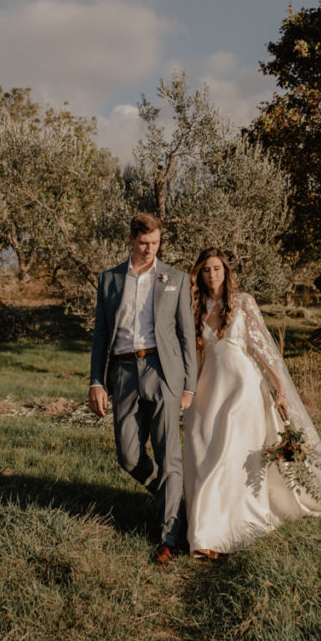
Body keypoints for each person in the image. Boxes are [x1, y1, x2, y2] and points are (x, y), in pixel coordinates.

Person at [184, 247, 321, 559]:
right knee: (205, 453)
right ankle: (210, 524)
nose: (212, 275)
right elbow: (195, 353)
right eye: (206, 269)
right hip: (209, 389)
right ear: (200, 273)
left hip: (241, 389)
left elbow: (263, 349)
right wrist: (188, 391)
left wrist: (280, 389)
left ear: (226, 271)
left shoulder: (243, 302)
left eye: (217, 268)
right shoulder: (197, 306)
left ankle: (212, 535)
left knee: (228, 455)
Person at [89, 213, 198, 566]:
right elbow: (100, 336)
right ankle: (171, 496)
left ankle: (168, 535)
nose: (150, 249)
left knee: (170, 456)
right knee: (128, 455)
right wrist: (96, 381)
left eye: (155, 243)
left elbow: (186, 336)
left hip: (163, 371)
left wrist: (189, 385)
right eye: (143, 243)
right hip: (122, 371)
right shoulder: (109, 280)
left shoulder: (176, 279)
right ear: (131, 240)